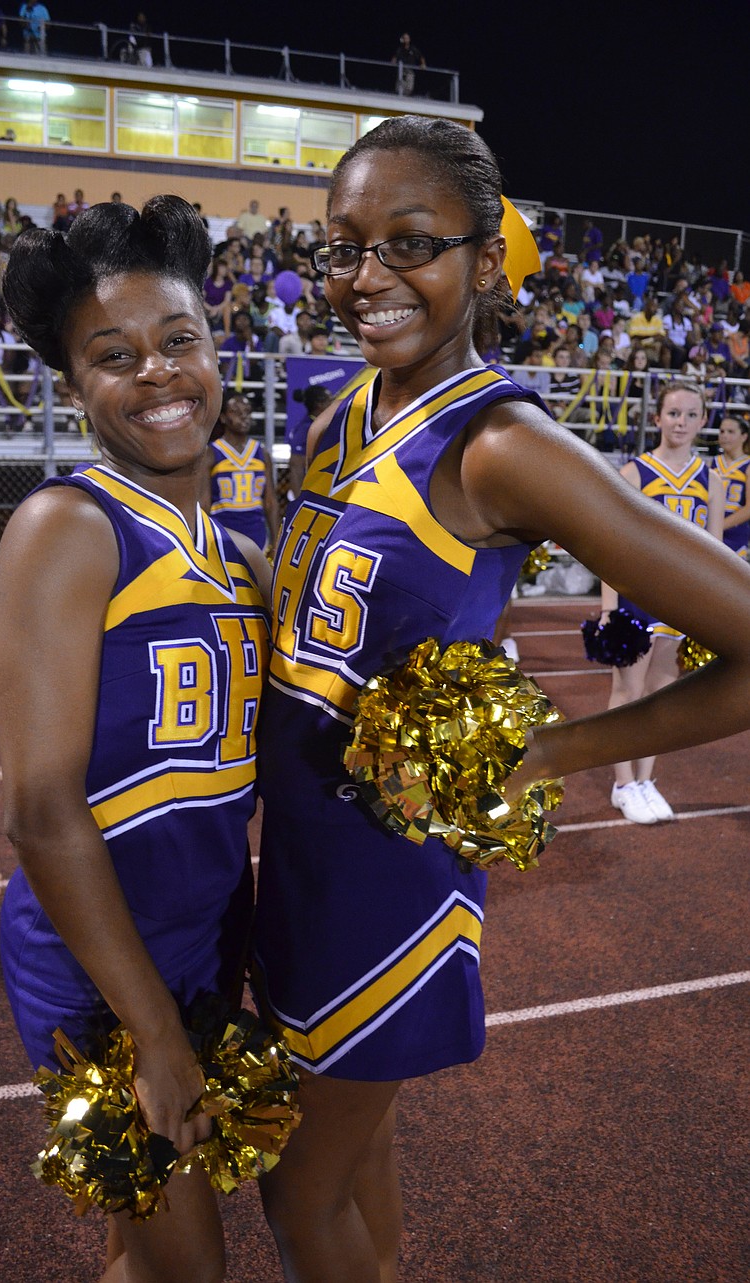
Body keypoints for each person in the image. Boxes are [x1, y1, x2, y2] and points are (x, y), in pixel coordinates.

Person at [250, 115, 750, 1283]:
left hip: (386, 872)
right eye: (344, 245)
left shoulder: (501, 442)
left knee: (296, 1188)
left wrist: (551, 755)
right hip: (300, 853)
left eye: (409, 244)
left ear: (486, 261)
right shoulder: (340, 407)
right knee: (357, 1167)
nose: (366, 277)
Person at [0, 196, 272, 1283]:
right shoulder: (67, 526)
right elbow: (41, 809)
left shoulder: (229, 547)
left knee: (145, 1254)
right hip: (101, 965)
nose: (155, 372)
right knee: (183, 1264)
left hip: (202, 934)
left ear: (215, 347)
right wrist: (152, 1029)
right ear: (73, 387)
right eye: (113, 356)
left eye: (178, 340)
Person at [602, 383, 724, 824]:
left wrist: (709, 611)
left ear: (702, 421)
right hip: (637, 599)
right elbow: (609, 546)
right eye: (674, 413)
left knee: (662, 696)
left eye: (692, 415)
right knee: (627, 692)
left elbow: (714, 552)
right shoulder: (634, 473)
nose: (682, 422)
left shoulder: (714, 479)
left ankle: (646, 778)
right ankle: (623, 784)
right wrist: (608, 609)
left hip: (683, 602)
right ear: (657, 419)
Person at [202, 389, 279, 551]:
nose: (243, 416)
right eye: (235, 412)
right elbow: (204, 504)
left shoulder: (262, 453)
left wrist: (277, 539)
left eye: (247, 411)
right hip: (222, 534)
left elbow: (270, 502)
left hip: (257, 535)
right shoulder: (211, 453)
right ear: (223, 417)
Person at [714, 414, 750, 557]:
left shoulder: (747, 465)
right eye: (722, 431)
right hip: (710, 531)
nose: (724, 436)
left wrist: (719, 526)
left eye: (730, 432)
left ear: (744, 436)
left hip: (735, 534)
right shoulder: (712, 463)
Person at [390, 32, 426, 96]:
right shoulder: (399, 49)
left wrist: (423, 64)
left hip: (410, 71)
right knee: (399, 88)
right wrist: (393, 61)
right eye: (404, 38)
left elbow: (421, 57)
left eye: (407, 38)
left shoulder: (413, 49)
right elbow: (395, 57)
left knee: (409, 88)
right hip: (401, 71)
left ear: (409, 39)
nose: (406, 39)